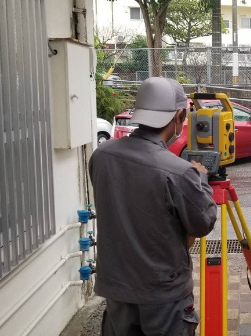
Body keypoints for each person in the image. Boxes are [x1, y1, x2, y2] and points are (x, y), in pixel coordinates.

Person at [89, 77, 217, 335]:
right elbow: (203, 222)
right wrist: (200, 178)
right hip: (164, 298)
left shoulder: (101, 156)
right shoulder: (179, 172)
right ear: (179, 116)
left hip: (116, 291)